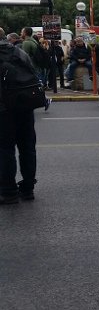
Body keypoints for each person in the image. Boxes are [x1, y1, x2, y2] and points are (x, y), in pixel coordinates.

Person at [0, 34, 40, 204]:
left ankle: (8, 191)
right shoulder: (19, 52)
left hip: (3, 109)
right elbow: (34, 73)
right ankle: (28, 188)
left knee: (5, 149)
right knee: (27, 148)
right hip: (25, 106)